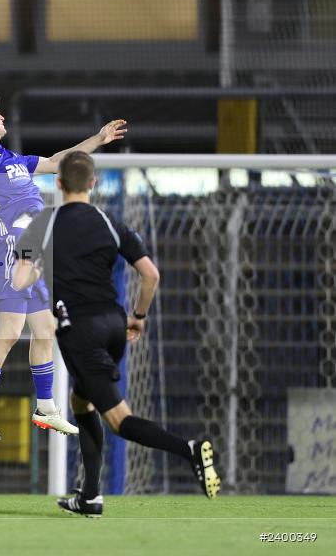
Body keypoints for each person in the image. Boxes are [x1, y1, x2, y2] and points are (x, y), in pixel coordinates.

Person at [13, 151, 221, 517]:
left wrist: (37, 265)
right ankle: (90, 496)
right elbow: (151, 275)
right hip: (114, 323)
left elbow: (19, 281)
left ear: (58, 184)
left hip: (80, 331)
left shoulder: (42, 223)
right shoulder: (111, 222)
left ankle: (190, 449)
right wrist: (137, 315)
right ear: (92, 183)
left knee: (119, 421)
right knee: (82, 402)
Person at [0, 95, 126, 442]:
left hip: (31, 250)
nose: (0, 115)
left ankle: (45, 407)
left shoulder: (11, 158)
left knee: (46, 330)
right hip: (11, 247)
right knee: (11, 332)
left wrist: (98, 140)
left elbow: (60, 161)